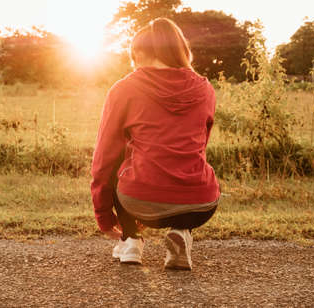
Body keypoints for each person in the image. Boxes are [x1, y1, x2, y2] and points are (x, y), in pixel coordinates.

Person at [90, 18, 220, 270]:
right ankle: (182, 232)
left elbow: (104, 159)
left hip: (140, 201)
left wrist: (104, 218)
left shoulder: (124, 89)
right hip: (201, 205)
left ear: (139, 53)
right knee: (187, 155)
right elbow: (200, 148)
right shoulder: (205, 88)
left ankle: (130, 241)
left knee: (121, 154)